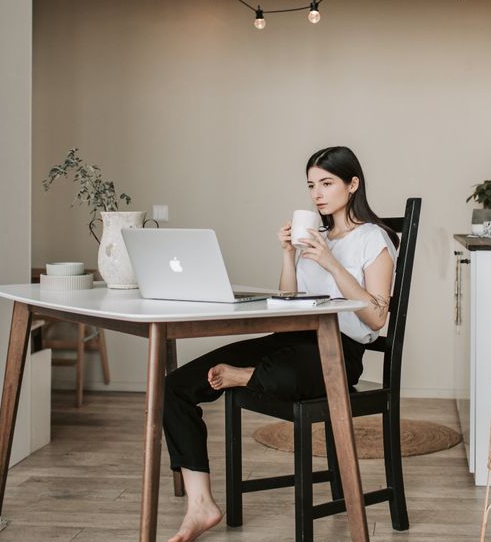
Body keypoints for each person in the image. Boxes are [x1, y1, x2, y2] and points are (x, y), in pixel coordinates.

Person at [163, 146, 399, 542]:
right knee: (176, 386)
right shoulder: (316, 237)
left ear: (352, 184)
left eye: (327, 183)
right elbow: (288, 302)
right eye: (311, 186)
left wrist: (330, 263)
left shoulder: (374, 239)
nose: (317, 195)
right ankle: (200, 504)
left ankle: (247, 376)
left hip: (340, 351)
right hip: (291, 339)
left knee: (289, 370)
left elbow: (376, 317)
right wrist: (289, 256)